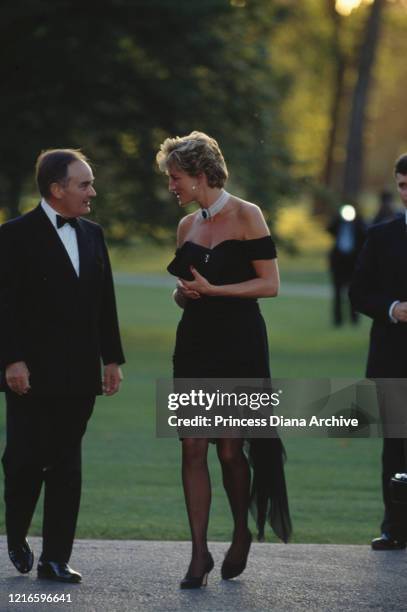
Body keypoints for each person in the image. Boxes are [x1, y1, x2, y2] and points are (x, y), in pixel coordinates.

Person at [157, 131, 291, 589]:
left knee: (232, 450)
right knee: (192, 446)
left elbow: (269, 284)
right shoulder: (186, 227)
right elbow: (185, 297)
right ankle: (198, 554)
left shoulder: (247, 214)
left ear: (199, 175)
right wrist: (185, 293)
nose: (171, 186)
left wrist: (215, 291)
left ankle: (240, 532)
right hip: (194, 344)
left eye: (175, 178)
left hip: (240, 345)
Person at [0, 149, 125, 582]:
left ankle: (55, 558)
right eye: (84, 184)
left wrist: (112, 359)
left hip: (78, 373)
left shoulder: (93, 234)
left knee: (67, 465)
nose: (93, 191)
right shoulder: (12, 235)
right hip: (29, 374)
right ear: (57, 189)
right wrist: (12, 361)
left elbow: (103, 301)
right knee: (23, 461)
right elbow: (5, 306)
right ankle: (15, 534)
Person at [349, 153, 407, 551]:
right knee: (396, 446)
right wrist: (393, 309)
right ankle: (395, 528)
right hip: (393, 358)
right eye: (402, 185)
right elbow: (358, 293)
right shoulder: (382, 234)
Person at [328, 205, 367, 326]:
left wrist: (357, 220)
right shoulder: (338, 224)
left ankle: (354, 319)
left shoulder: (358, 224)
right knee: (337, 293)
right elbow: (328, 229)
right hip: (339, 264)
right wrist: (338, 218)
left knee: (353, 293)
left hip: (353, 264)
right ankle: (337, 320)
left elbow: (365, 233)